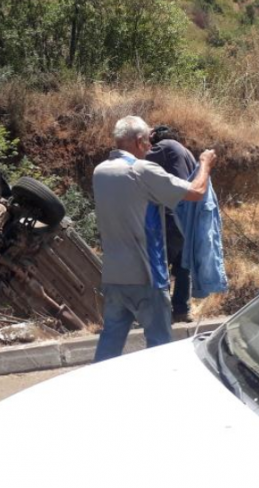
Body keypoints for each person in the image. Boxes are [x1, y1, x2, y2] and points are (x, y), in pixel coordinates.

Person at [92, 116, 215, 362]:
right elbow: (196, 192)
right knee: (160, 346)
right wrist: (205, 164)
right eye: (148, 140)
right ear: (139, 141)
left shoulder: (100, 171)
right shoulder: (142, 170)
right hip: (147, 275)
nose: (151, 146)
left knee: (110, 343)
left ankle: (99, 391)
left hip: (114, 276)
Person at [145, 126, 196, 322]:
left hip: (170, 216)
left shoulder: (165, 146)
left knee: (160, 263)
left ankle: (162, 311)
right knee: (184, 268)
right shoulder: (186, 152)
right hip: (187, 218)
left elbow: (137, 161)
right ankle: (182, 310)